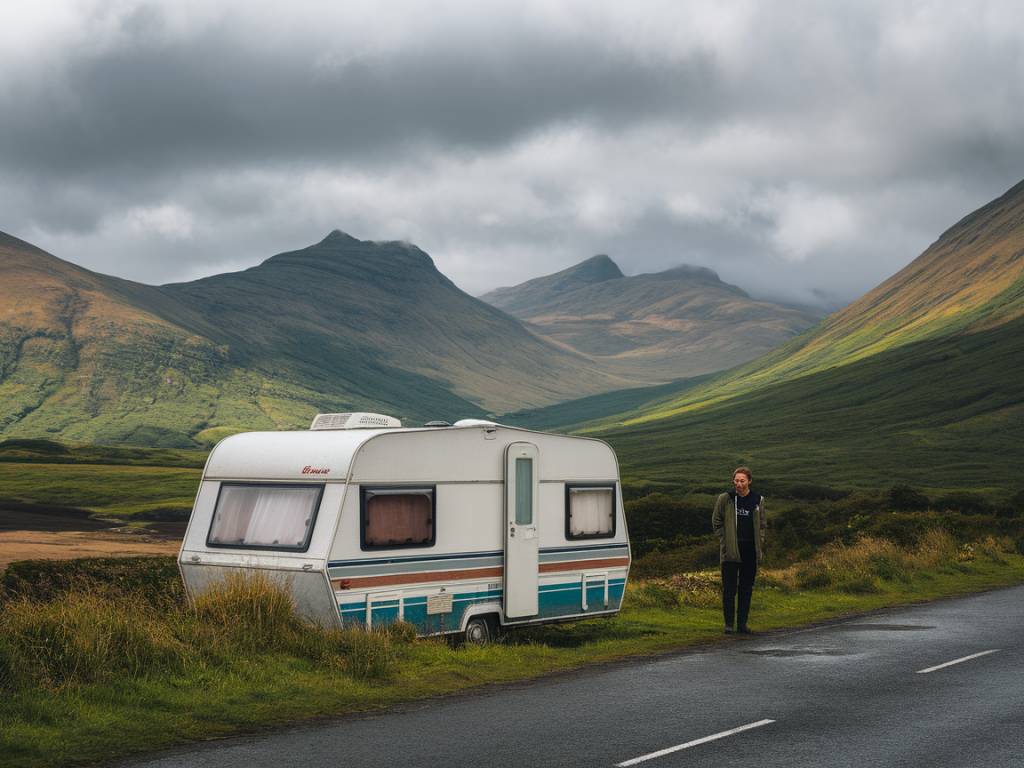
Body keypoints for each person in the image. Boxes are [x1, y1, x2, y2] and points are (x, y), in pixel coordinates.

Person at [711, 466, 766, 634]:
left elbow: (762, 524)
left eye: (742, 481)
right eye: (736, 481)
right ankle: (729, 625)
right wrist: (725, 540)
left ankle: (742, 625)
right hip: (730, 551)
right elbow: (716, 521)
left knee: (746, 588)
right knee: (729, 588)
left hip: (750, 550)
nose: (739, 484)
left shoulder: (758, 500)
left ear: (749, 481)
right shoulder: (725, 498)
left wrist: (760, 541)